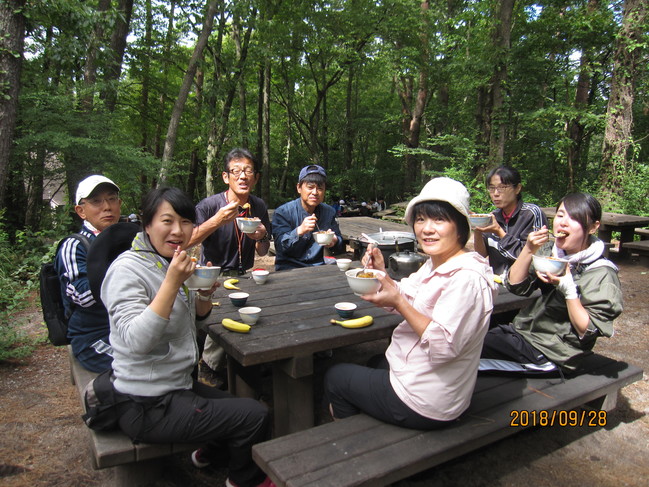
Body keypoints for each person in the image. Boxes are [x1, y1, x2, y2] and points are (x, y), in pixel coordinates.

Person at [101, 187, 275, 487]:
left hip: (176, 385)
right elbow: (136, 341)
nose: (178, 231)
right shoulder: (127, 270)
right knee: (254, 415)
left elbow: (194, 319)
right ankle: (243, 480)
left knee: (242, 406)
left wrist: (204, 296)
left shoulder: (164, 260)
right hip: (145, 403)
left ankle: (205, 457)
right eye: (167, 221)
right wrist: (172, 282)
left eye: (185, 222)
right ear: (146, 224)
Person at [324, 177, 498, 429]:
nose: (427, 228)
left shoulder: (467, 279)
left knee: (335, 377)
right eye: (420, 219)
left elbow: (445, 347)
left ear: (461, 225)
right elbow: (406, 294)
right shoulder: (438, 261)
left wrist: (399, 303)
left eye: (439, 219)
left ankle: (357, 442)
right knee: (376, 362)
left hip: (429, 402)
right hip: (424, 379)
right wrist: (380, 274)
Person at [480, 192, 623, 375]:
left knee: (463, 357)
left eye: (574, 218)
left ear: (593, 227)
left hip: (552, 354)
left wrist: (570, 290)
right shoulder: (551, 252)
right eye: (561, 215)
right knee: (466, 340)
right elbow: (516, 285)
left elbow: (587, 330)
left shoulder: (602, 274)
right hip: (522, 334)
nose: (563, 222)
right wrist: (529, 249)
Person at [55, 175, 121, 372]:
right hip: (94, 336)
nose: (107, 207)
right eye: (96, 201)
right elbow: (84, 297)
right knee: (136, 368)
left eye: (112, 199)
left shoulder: (132, 239)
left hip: (131, 331)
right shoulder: (74, 246)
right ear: (81, 211)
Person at [190, 148, 271, 276]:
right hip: (211, 277)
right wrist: (217, 221)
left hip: (244, 275)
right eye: (236, 171)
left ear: (256, 178)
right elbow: (188, 240)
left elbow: (262, 252)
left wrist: (262, 237)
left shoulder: (258, 206)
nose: (243, 176)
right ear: (226, 177)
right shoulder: (208, 206)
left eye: (248, 171)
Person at [473, 166, 548, 275]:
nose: (496, 193)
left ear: (517, 188)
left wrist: (499, 232)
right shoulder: (493, 217)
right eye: (492, 188)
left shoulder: (531, 214)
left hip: (524, 284)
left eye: (502, 187)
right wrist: (477, 229)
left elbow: (532, 259)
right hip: (497, 281)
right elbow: (481, 255)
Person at [272, 164, 344, 270]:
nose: (315, 192)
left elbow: (340, 247)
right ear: (299, 188)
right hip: (289, 267)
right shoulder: (283, 212)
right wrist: (299, 231)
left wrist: (335, 241)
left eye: (320, 188)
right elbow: (280, 247)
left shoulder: (328, 212)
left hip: (317, 266)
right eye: (310, 187)